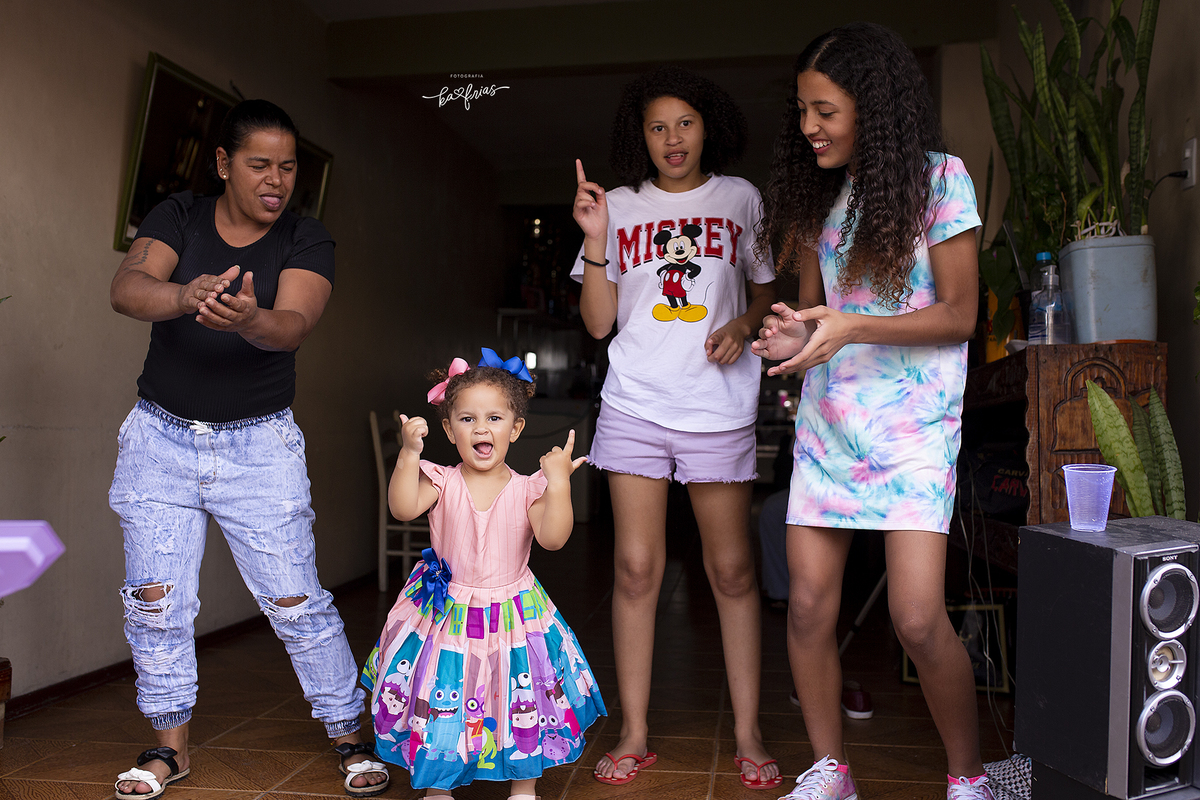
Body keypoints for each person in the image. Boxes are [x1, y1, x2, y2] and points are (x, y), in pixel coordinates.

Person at [108, 99, 387, 800]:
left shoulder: (305, 237)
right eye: (260, 164)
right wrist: (185, 297)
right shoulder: (180, 215)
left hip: (258, 447)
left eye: (287, 167)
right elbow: (128, 288)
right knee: (155, 602)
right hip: (159, 440)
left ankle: (349, 735)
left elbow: (293, 325)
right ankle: (169, 749)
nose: (276, 180)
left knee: (296, 603)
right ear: (224, 163)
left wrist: (248, 318)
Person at [751, 22, 993, 800]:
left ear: (872, 108)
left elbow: (959, 315)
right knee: (806, 610)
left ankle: (968, 779)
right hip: (830, 425)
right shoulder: (821, 198)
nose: (808, 127)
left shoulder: (941, 181)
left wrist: (850, 326)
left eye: (824, 110)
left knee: (917, 618)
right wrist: (791, 333)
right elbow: (818, 315)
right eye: (801, 110)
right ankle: (831, 773)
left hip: (914, 431)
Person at [571, 65, 780, 790]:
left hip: (716, 408)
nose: (672, 138)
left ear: (707, 126)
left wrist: (744, 326)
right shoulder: (618, 206)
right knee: (635, 571)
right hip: (634, 403)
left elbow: (765, 293)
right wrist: (595, 237)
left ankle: (749, 731)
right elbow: (598, 324)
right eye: (657, 127)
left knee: (732, 570)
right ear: (642, 137)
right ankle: (634, 731)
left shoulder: (741, 199)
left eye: (684, 123)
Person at [361, 351, 605, 799]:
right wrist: (409, 454)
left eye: (494, 418)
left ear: (515, 428)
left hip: (513, 613)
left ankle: (524, 787)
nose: (481, 428)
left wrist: (559, 484)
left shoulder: (529, 488)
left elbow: (553, 539)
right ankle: (438, 787)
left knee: (519, 695)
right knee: (442, 692)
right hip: (446, 614)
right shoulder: (440, 480)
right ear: (448, 429)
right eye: (467, 419)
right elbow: (402, 507)